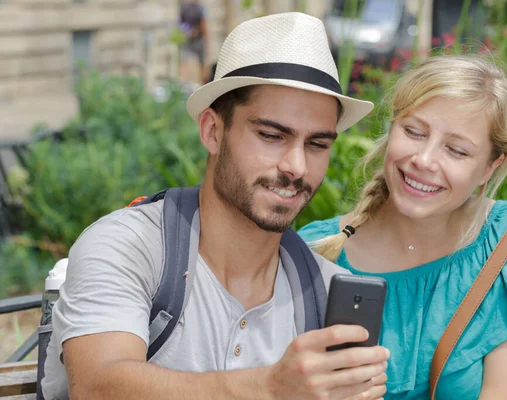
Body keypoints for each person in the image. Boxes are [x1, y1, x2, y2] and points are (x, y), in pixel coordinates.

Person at [41, 12, 391, 400]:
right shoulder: (130, 246)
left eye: (317, 144)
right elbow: (97, 386)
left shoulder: (323, 293)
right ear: (212, 131)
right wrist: (271, 387)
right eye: (272, 135)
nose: (296, 166)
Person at [298, 55, 507, 400]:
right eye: (414, 132)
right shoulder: (314, 252)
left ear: (490, 167)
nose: (424, 160)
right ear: (392, 127)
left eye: (457, 151)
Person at [179, 1, 209, 83]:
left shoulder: (184, 7)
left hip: (187, 39)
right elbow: (204, 26)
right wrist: (207, 44)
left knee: (184, 64)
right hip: (199, 39)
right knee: (202, 65)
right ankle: (204, 86)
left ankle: (182, 85)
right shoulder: (201, 8)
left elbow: (180, 24)